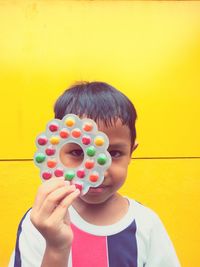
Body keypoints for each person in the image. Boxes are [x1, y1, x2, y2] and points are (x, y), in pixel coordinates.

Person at [9, 81, 181, 267]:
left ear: (131, 152)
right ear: (55, 149)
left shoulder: (146, 224)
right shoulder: (41, 222)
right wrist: (55, 247)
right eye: (78, 153)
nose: (98, 171)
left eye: (114, 153)